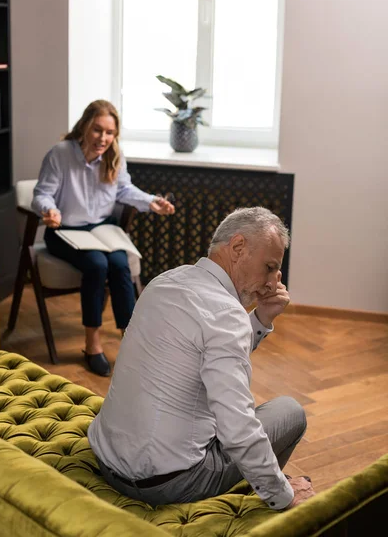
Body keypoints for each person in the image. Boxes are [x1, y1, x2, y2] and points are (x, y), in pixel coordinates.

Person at [88, 206, 316, 510]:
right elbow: (237, 429)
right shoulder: (227, 315)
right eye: (270, 267)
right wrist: (282, 497)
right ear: (237, 248)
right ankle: (256, 500)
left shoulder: (164, 281)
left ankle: (259, 479)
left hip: (107, 459)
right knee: (291, 412)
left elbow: (212, 349)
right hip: (167, 483)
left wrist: (260, 318)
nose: (274, 282)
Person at [31, 99, 175, 377]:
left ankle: (132, 343)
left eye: (110, 133)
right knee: (97, 265)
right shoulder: (60, 154)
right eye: (98, 130)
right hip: (65, 231)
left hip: (102, 229)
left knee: (120, 265)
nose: (103, 138)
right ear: (85, 126)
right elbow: (42, 193)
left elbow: (125, 191)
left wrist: (151, 202)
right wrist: (49, 210)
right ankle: (92, 345)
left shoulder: (115, 156)